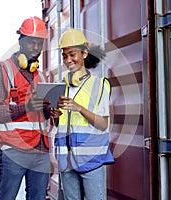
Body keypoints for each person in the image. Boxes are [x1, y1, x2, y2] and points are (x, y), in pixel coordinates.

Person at [0, 16, 51, 200]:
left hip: (41, 150)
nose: (36, 48)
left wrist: (50, 111)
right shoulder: (2, 70)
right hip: (14, 150)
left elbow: (42, 117)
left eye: (40, 43)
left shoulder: (42, 76)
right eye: (31, 42)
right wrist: (26, 106)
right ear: (21, 41)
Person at [50, 28, 114, 200]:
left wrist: (79, 108)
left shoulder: (100, 85)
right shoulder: (60, 86)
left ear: (84, 53)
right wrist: (56, 116)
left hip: (91, 159)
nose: (68, 60)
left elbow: (103, 123)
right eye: (64, 56)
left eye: (72, 54)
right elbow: (60, 125)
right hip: (66, 160)